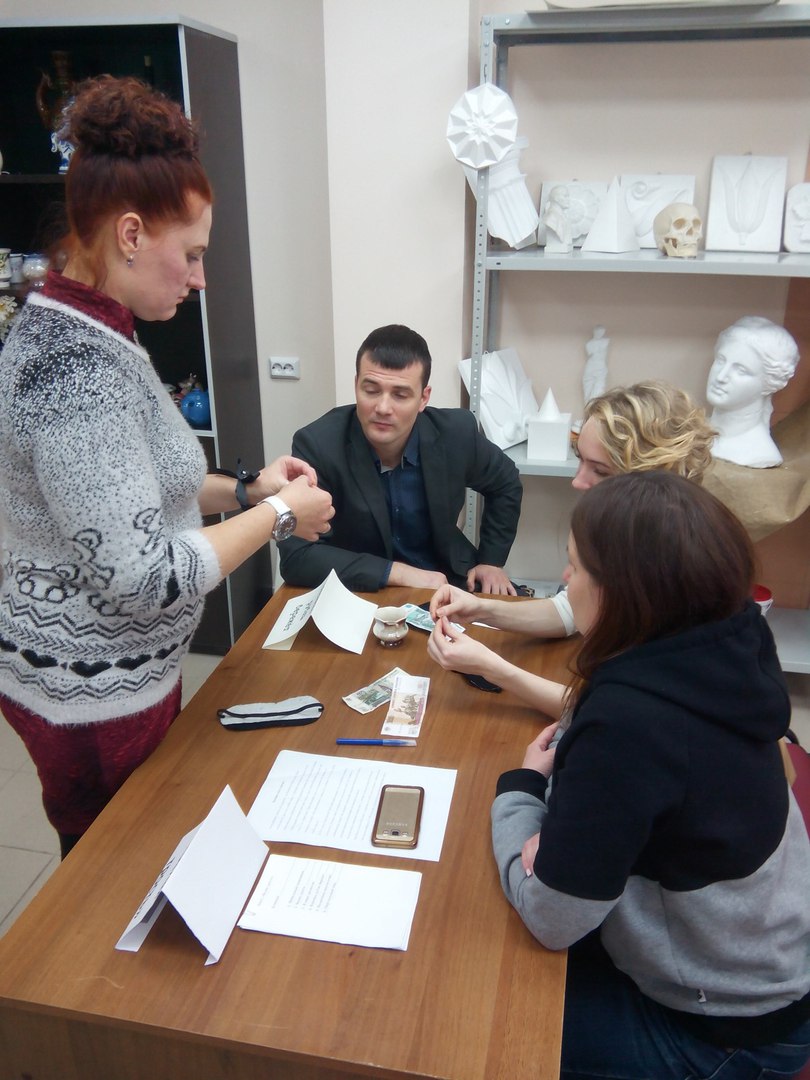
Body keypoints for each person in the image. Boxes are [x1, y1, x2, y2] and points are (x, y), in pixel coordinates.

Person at [0, 76, 334, 858]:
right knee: (111, 871)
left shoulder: (94, 334)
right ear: (129, 235)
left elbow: (142, 493)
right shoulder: (77, 373)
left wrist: (248, 488)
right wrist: (280, 516)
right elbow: (144, 577)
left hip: (114, 675)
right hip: (90, 690)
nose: (200, 277)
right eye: (191, 254)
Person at [491, 471, 810, 1079]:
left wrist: (523, 795)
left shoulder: (628, 725)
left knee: (478, 1024)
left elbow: (551, 918)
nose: (565, 579)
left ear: (623, 593)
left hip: (723, 1030)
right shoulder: (729, 639)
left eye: (575, 566)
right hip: (766, 962)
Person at [427, 381, 714, 711]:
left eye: (599, 470)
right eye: (581, 461)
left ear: (650, 479)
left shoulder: (674, 576)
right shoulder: (632, 537)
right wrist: (481, 608)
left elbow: (614, 714)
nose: (577, 481)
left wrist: (494, 669)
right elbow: (569, 611)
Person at [278, 323, 523, 594]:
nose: (383, 408)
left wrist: (491, 560)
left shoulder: (456, 433)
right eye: (371, 390)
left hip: (447, 579)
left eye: (400, 395)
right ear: (356, 385)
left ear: (423, 398)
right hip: (359, 588)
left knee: (512, 615)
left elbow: (506, 482)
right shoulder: (318, 445)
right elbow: (296, 557)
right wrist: (398, 573)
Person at [707, 315, 800, 468]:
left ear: (770, 383)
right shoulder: (694, 434)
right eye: (721, 360)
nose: (721, 377)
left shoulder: (760, 452)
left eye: (741, 370)